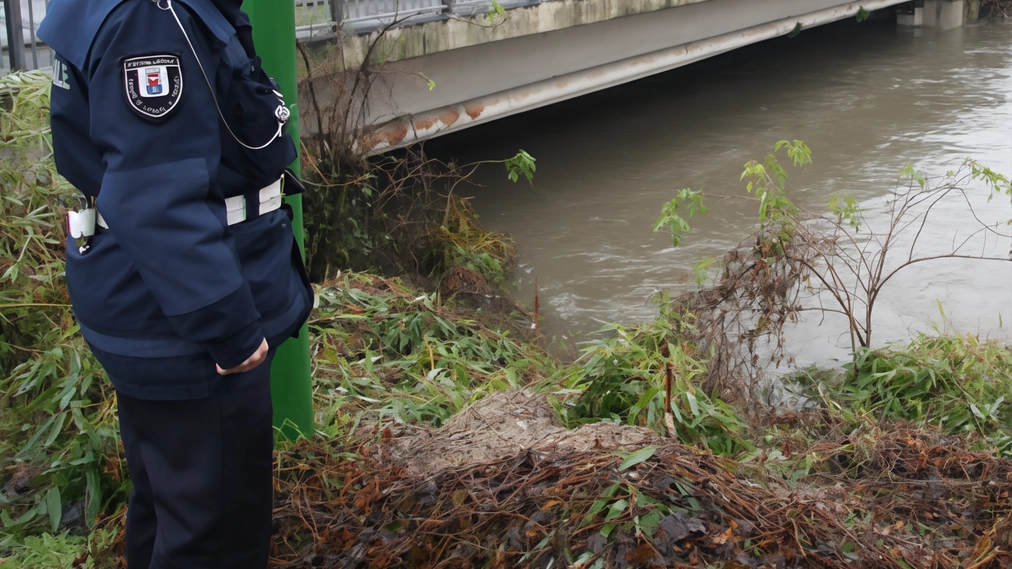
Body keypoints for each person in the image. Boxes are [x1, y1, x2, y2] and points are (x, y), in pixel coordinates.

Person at [37, 0, 313, 567]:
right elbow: (155, 200)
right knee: (214, 534)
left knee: (173, 510)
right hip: (191, 330)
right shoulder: (152, 19)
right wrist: (231, 334)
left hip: (153, 308)